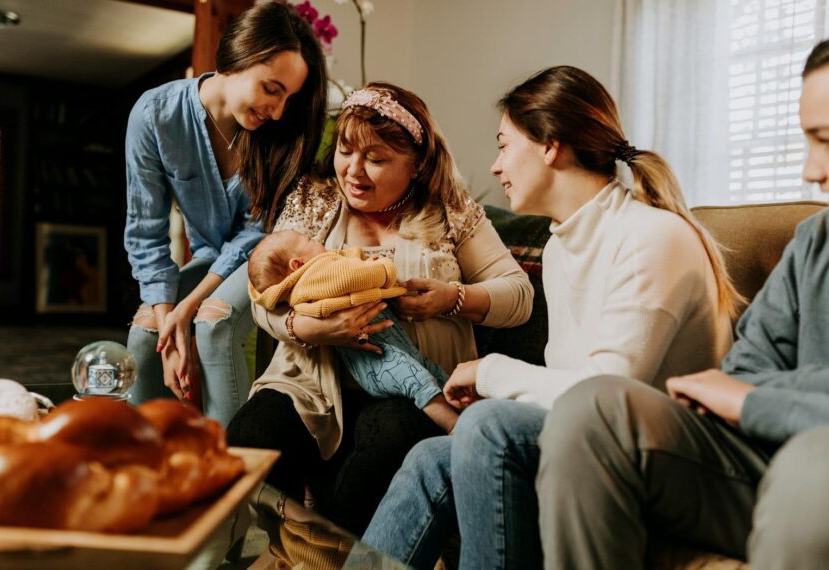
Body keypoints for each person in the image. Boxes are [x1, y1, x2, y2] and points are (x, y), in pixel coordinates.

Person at [362, 66, 740, 569]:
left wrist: (492, 374)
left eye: (504, 145)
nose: (496, 166)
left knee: (488, 426)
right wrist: (503, 394)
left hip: (674, 465)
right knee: (431, 458)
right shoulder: (561, 247)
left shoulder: (653, 238)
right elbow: (569, 388)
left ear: (549, 146)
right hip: (595, 442)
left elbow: (606, 396)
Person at [537, 40, 829, 570]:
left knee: (813, 467)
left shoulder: (651, 237)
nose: (811, 170)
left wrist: (758, 402)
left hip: (810, 476)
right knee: (592, 407)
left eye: (826, 140)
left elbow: (744, 394)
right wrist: (772, 398)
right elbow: (740, 374)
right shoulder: (815, 241)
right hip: (763, 461)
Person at [226, 82, 534, 535]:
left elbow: (519, 295)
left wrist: (453, 299)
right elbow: (265, 292)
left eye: (375, 159)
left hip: (412, 387)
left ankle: (336, 556)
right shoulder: (315, 198)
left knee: (389, 438)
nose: (353, 171)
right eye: (345, 151)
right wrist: (309, 327)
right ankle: (289, 548)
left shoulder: (449, 210)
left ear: (416, 164)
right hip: (311, 386)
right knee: (250, 436)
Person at [124, 2, 327, 426]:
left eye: (288, 98)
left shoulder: (281, 134)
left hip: (269, 258)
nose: (278, 111)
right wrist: (169, 326)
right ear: (238, 57)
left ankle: (232, 462)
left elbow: (256, 234)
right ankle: (149, 458)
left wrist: (188, 307)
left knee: (213, 324)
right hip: (213, 258)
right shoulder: (155, 115)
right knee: (145, 335)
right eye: (272, 89)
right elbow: (146, 234)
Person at [248, 229, 459, 433]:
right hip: (378, 360)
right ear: (297, 264)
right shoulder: (314, 275)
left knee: (432, 373)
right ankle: (454, 428)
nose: (315, 238)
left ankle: (466, 414)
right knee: (418, 381)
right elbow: (352, 277)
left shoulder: (310, 280)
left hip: (390, 348)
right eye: (309, 240)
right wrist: (381, 269)